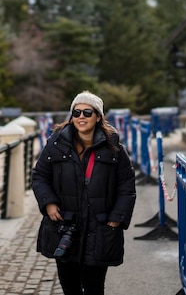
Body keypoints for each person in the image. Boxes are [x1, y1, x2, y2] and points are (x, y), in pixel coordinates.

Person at [32, 91, 136, 295]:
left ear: (98, 117)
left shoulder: (114, 149)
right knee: (69, 286)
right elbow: (40, 176)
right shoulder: (56, 144)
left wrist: (116, 219)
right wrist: (49, 203)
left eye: (87, 112)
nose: (81, 117)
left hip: (99, 227)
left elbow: (126, 187)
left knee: (94, 287)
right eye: (76, 112)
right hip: (64, 225)